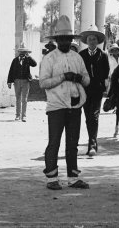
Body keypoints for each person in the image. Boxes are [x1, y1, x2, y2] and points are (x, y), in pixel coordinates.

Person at [38, 15, 90, 190]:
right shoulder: (49, 58)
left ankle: (73, 178)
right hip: (56, 105)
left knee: (73, 143)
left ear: (71, 39)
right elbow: (43, 82)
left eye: (68, 38)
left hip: (75, 104)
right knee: (54, 142)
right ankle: (51, 178)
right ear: (57, 40)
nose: (65, 42)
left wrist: (79, 78)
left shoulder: (77, 58)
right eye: (62, 39)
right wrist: (62, 77)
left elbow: (87, 80)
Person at [78, 25, 111, 157]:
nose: (92, 41)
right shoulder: (81, 55)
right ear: (87, 41)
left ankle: (92, 144)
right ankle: (92, 141)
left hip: (97, 90)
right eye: (90, 39)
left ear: (97, 41)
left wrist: (104, 88)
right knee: (87, 116)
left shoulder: (103, 55)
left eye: (94, 39)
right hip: (85, 90)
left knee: (95, 116)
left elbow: (106, 72)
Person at [8, 43, 37, 122]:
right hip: (17, 81)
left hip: (25, 81)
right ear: (18, 52)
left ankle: (24, 116)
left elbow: (35, 64)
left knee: (24, 99)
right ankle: (17, 115)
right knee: (18, 99)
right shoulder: (15, 60)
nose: (22, 53)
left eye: (24, 52)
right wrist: (9, 82)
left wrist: (29, 56)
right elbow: (11, 71)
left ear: (26, 52)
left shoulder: (28, 59)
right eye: (21, 51)